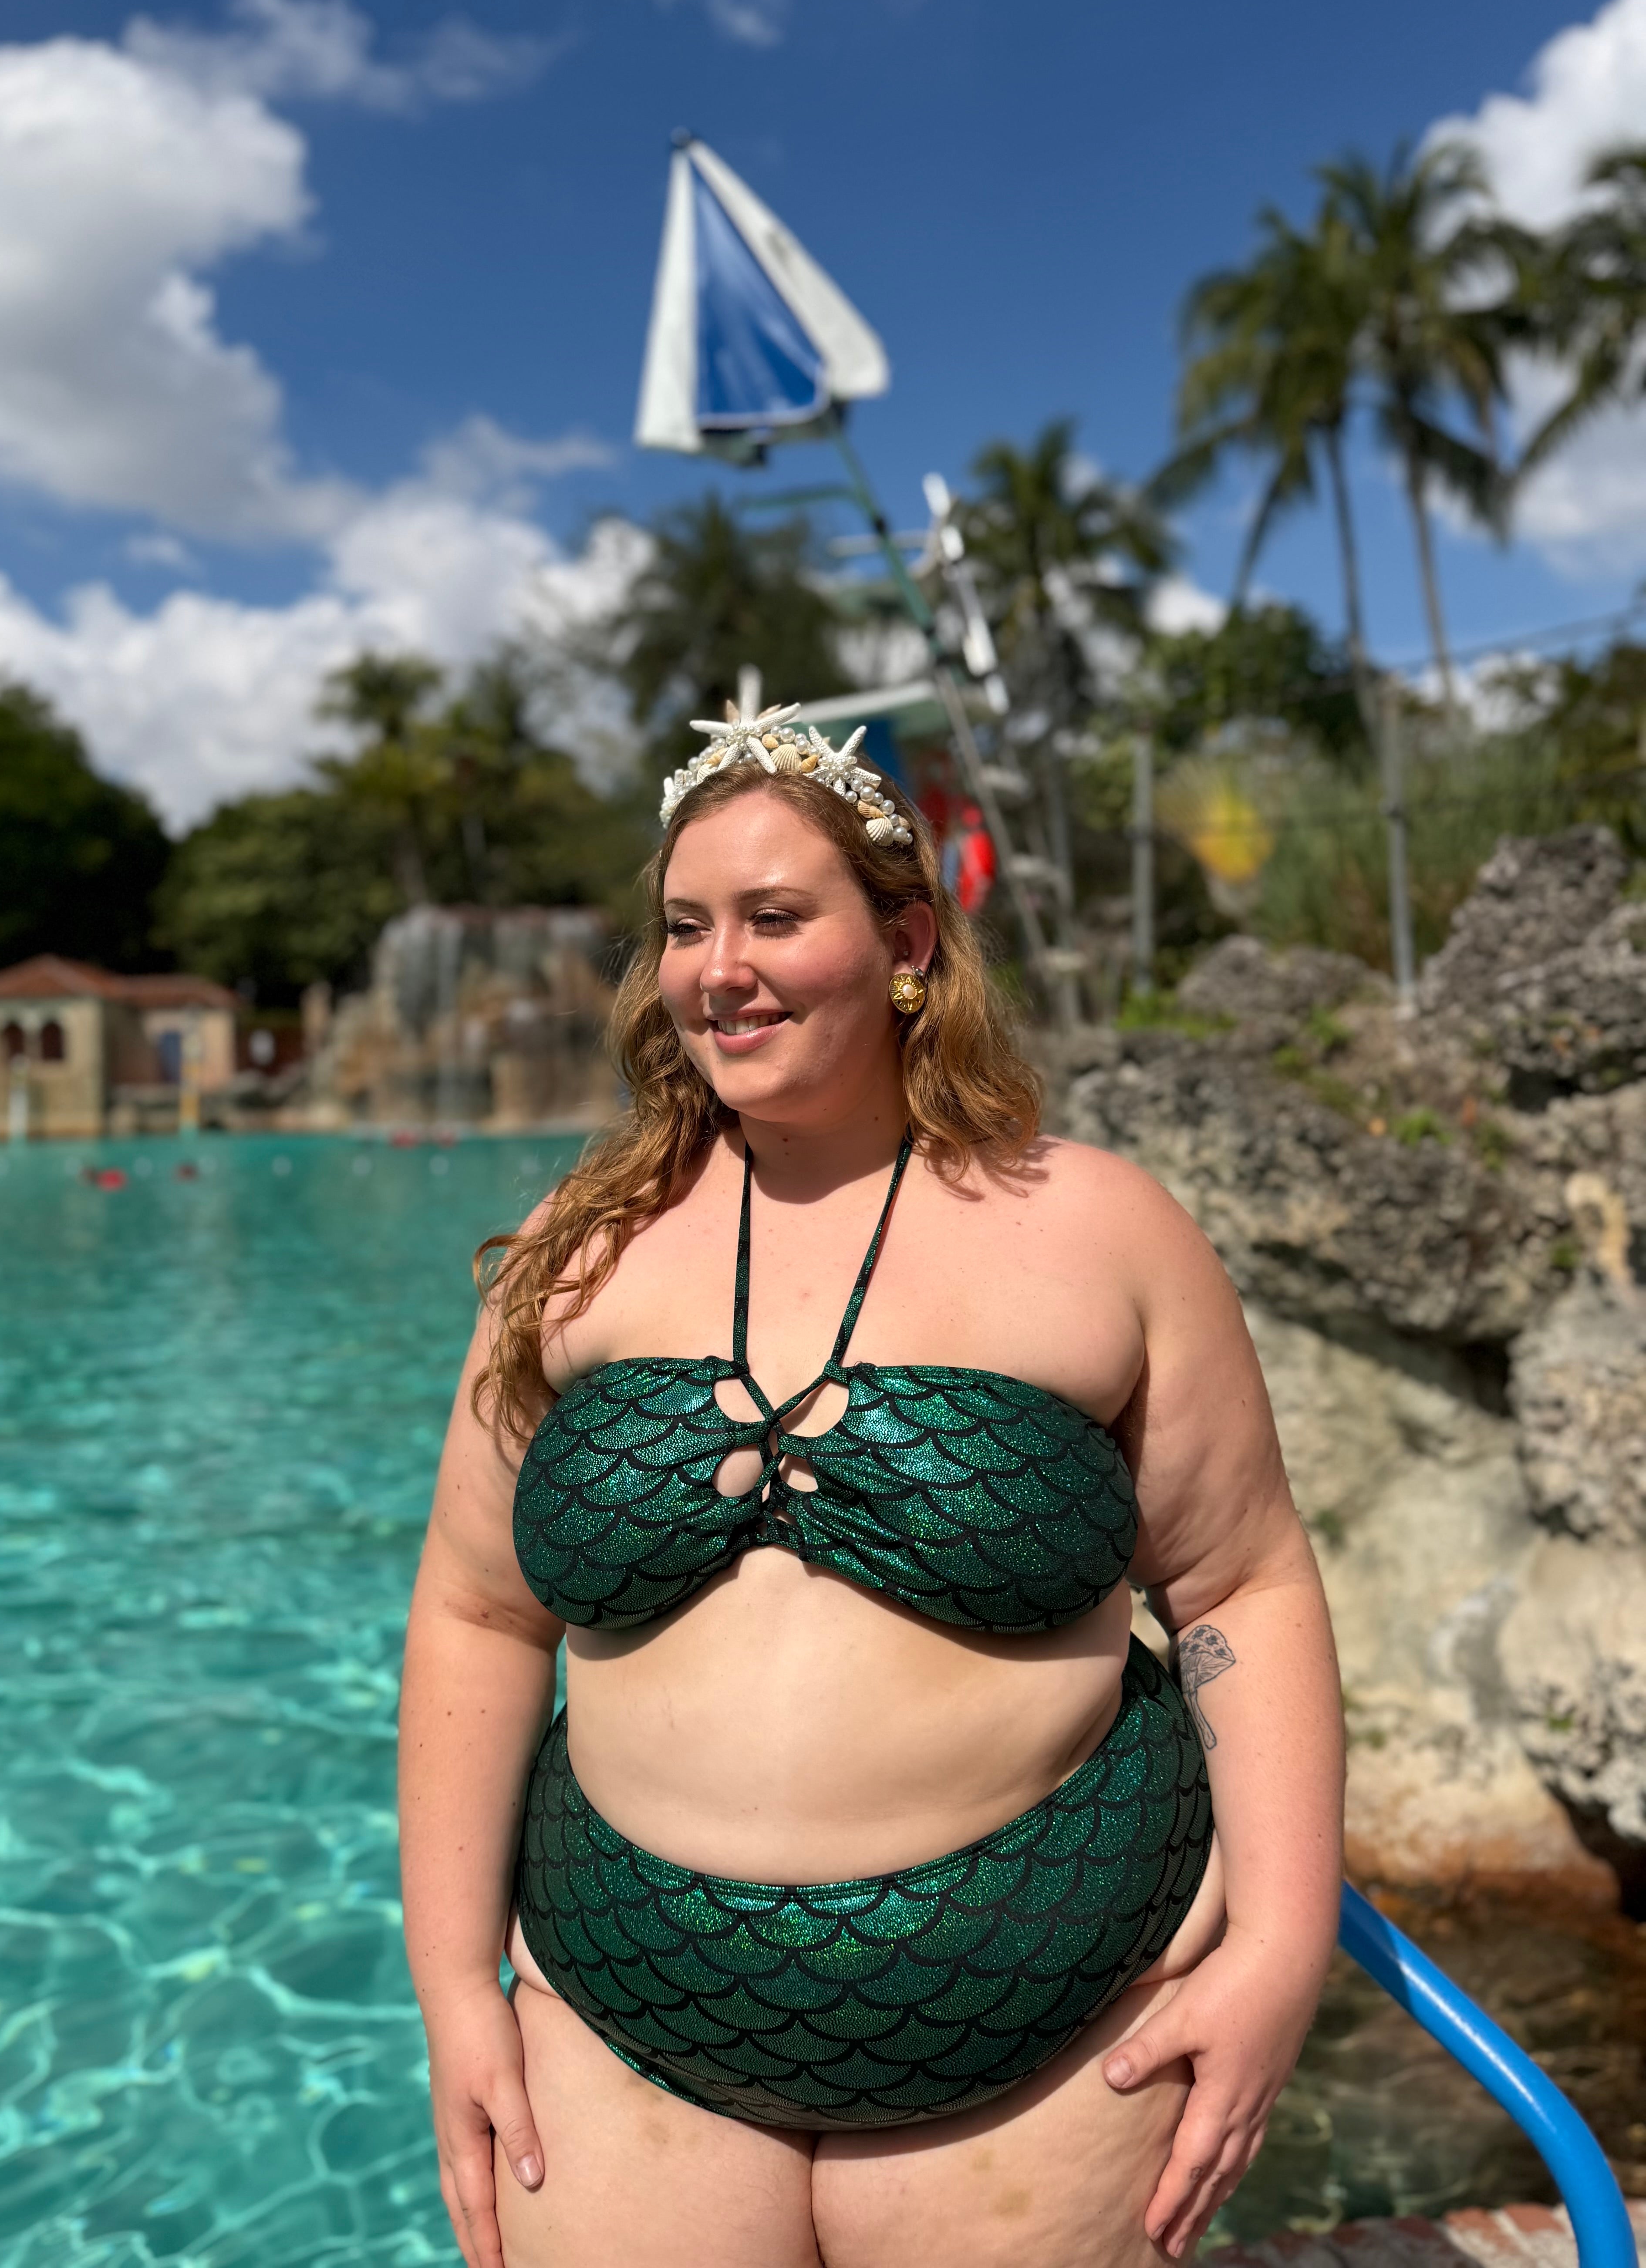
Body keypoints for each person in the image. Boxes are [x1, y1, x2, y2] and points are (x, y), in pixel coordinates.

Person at [399, 701, 1343, 2268]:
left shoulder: (1099, 1230)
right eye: (687, 926)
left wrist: (1282, 1946)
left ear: (904, 938)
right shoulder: (579, 1248)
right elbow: (478, 1614)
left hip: (1054, 2011)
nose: (722, 967)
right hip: (628, 2010)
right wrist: (450, 1990)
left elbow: (1240, 1582)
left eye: (777, 916)